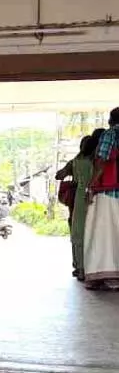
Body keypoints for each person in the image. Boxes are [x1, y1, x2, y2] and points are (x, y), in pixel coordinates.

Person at [86, 109, 119, 290]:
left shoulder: (110, 134)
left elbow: (102, 159)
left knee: (106, 234)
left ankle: (109, 276)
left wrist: (92, 184)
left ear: (110, 120)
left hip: (110, 191)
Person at [71, 132, 103, 281]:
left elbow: (74, 179)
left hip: (79, 197)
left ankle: (80, 268)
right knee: (92, 232)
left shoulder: (76, 161)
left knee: (78, 231)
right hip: (94, 196)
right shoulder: (95, 163)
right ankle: (93, 269)